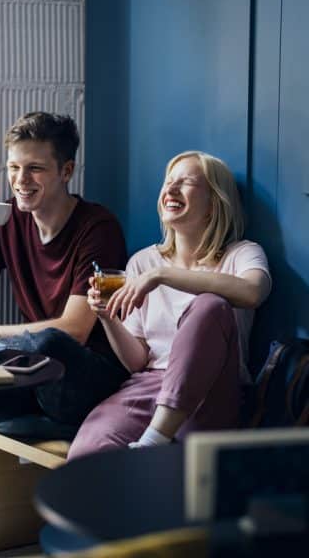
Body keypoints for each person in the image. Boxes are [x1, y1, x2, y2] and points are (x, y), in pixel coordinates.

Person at [68, 151, 271, 458]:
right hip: (149, 386)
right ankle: (150, 445)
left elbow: (253, 292)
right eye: (168, 182)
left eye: (186, 182)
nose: (171, 189)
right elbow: (137, 361)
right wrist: (106, 316)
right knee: (87, 455)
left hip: (213, 391)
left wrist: (164, 276)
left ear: (215, 203)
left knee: (210, 306)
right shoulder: (143, 262)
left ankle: (155, 439)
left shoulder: (242, 253)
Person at [0, 111, 129, 425]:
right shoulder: (9, 217)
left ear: (66, 171)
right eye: (13, 168)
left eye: (35, 169)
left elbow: (75, 331)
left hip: (88, 372)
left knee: (49, 342)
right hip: (36, 368)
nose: (21, 180)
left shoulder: (98, 228)